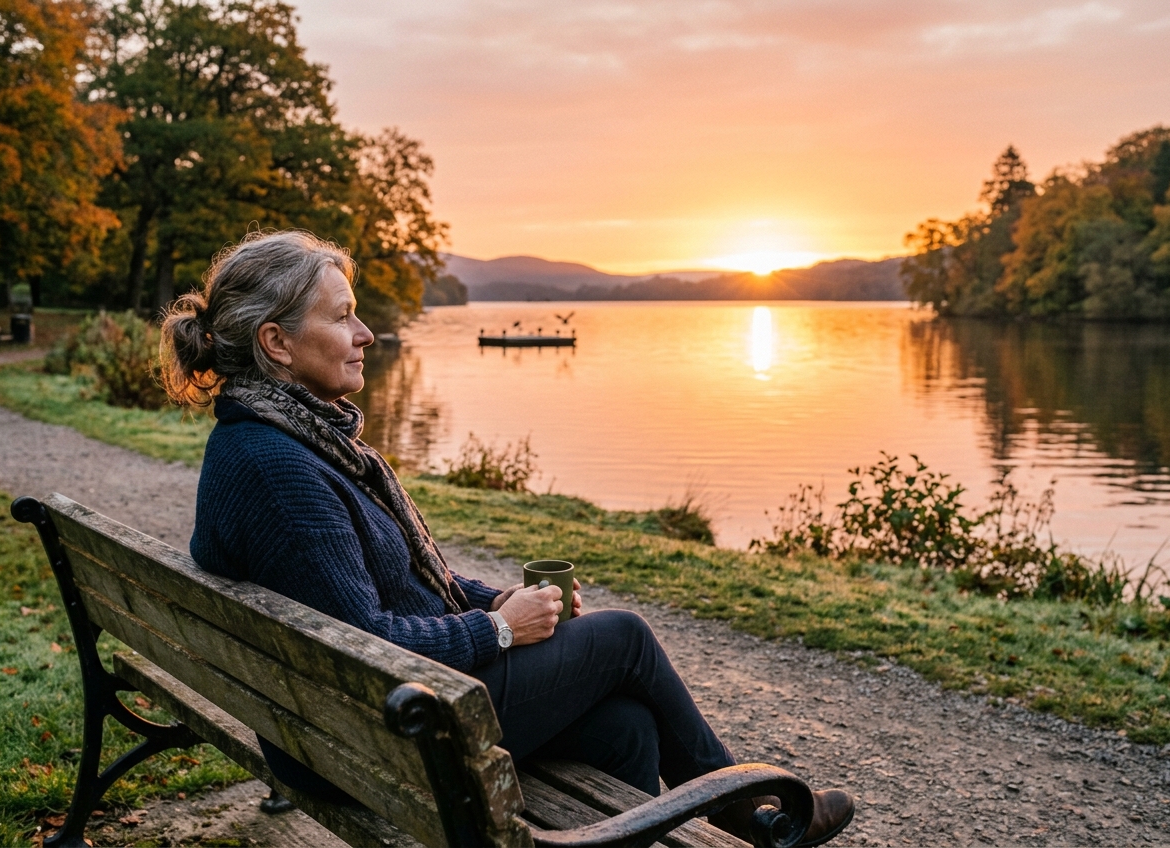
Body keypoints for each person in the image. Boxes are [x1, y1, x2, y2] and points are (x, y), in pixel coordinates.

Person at [159, 230, 854, 846]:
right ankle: (747, 807)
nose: (367, 333)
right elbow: (366, 637)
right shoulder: (279, 467)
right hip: (373, 739)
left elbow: (395, 590)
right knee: (624, 638)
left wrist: (502, 601)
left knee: (627, 728)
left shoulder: (279, 440)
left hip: (341, 721)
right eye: (343, 318)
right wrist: (496, 631)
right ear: (276, 343)